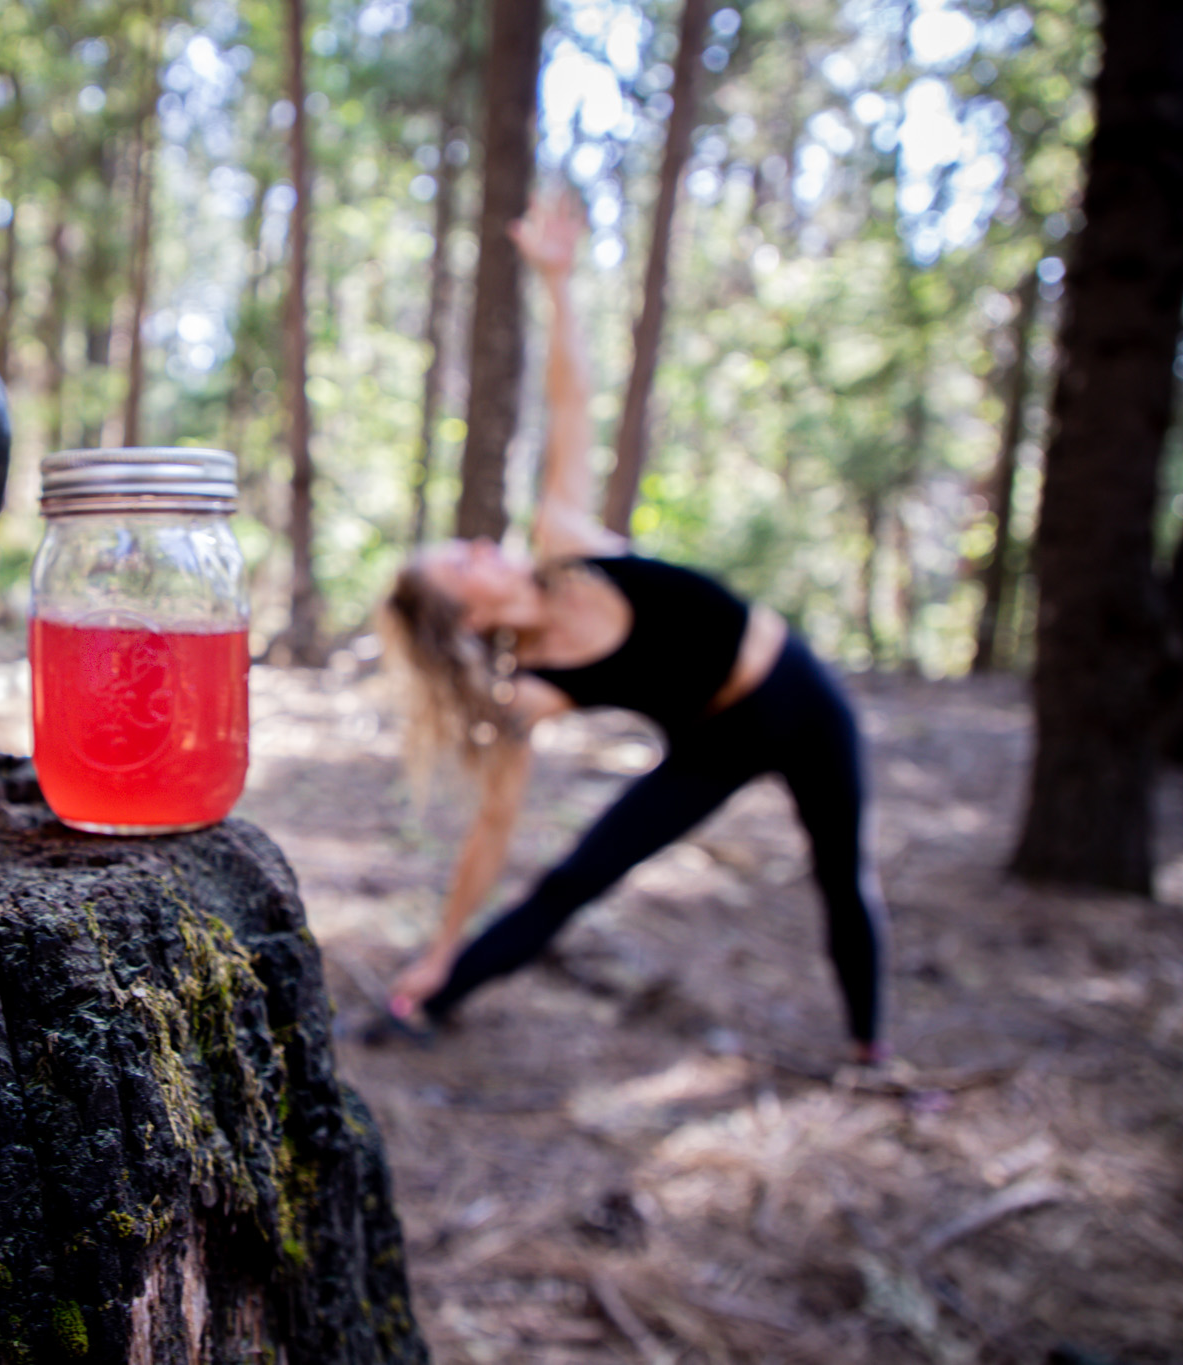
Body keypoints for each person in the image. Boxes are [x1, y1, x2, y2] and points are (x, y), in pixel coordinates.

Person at [380, 191, 887, 1065]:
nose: (477, 543)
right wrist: (439, 944)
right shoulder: (528, 689)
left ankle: (871, 1048)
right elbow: (492, 829)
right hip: (713, 740)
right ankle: (433, 994)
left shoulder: (565, 543)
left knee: (843, 875)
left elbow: (572, 404)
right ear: (464, 613)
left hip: (803, 696)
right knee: (576, 877)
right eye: (459, 561)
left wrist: (557, 283)